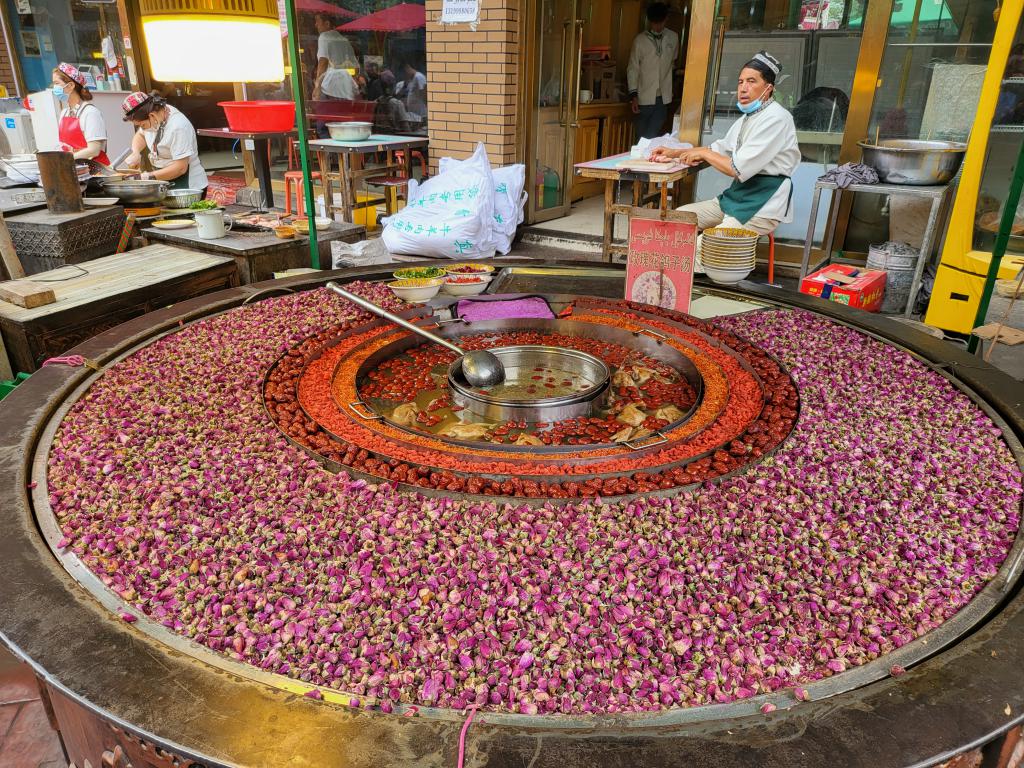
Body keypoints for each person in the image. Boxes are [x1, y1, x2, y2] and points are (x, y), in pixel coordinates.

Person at [651, 51, 799, 267]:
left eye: (751, 81)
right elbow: (718, 148)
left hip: (763, 204)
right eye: (740, 82)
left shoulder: (777, 119)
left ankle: (689, 284)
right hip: (736, 197)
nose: (743, 88)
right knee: (676, 219)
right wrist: (674, 153)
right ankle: (671, 273)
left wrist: (704, 154)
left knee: (702, 247)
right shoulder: (748, 118)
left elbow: (736, 169)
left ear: (769, 88)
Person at [122, 91, 208, 192]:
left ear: (152, 115)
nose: (143, 129)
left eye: (142, 125)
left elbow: (180, 168)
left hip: (188, 184)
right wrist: (136, 152)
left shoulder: (178, 127)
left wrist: (146, 177)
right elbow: (140, 135)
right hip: (163, 178)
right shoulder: (156, 115)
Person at [627, 3, 679, 139]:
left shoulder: (673, 37)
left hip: (663, 97)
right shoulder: (640, 41)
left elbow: (673, 62)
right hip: (643, 97)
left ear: (666, 19)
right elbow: (633, 68)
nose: (658, 27)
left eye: (660, 22)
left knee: (652, 135)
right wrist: (633, 96)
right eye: (655, 23)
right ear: (650, 21)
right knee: (641, 136)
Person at [51, 63, 109, 164]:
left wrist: (66, 159)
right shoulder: (64, 113)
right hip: (75, 168)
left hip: (95, 171)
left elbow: (94, 150)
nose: (54, 88)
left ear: (71, 86)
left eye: (57, 83)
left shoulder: (90, 112)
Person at [314, 13, 357, 82]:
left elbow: (323, 61)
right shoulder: (344, 40)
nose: (315, 25)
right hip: (345, 87)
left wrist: (317, 85)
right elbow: (355, 67)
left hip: (331, 86)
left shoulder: (324, 36)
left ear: (327, 24)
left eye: (317, 21)